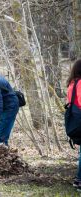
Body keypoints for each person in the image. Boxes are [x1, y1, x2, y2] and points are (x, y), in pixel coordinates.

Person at [66, 59, 81, 190]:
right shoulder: (80, 83)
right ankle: (79, 180)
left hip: (75, 120)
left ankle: (78, 180)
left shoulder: (71, 83)